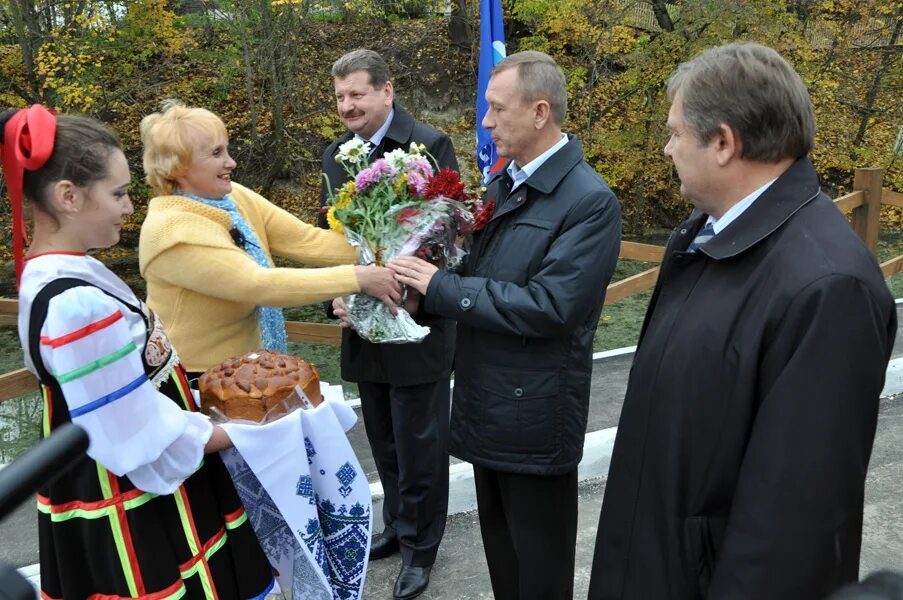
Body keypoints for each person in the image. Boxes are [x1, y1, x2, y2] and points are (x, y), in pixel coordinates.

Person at [587, 42, 897, 599]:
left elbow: (790, 530)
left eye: (676, 132)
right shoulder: (704, 235)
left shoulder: (828, 287)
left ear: (724, 142)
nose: (666, 148)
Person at [4, 105, 274, 598]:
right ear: (69, 196)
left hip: (103, 468)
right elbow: (138, 431)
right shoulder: (77, 304)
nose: (130, 207)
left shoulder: (56, 275)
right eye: (119, 193)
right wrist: (239, 431)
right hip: (130, 489)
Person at [389, 51, 621, 600]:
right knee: (505, 570)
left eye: (496, 109)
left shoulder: (590, 202)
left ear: (540, 112)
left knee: (538, 576)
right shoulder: (505, 185)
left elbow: (549, 307)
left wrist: (439, 287)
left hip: (534, 418)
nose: (486, 122)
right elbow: (474, 272)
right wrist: (412, 291)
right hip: (488, 406)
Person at [319, 49, 459, 600]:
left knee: (420, 441)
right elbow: (328, 238)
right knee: (382, 437)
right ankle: (400, 528)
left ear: (387, 90)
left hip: (414, 318)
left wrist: (411, 292)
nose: (347, 106)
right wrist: (334, 290)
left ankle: (422, 549)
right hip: (361, 320)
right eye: (339, 97)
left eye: (356, 94)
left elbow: (448, 233)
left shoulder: (427, 145)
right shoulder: (335, 157)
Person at [138, 101, 400, 377]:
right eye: (216, 153)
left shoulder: (232, 197)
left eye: (226, 149)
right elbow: (258, 285)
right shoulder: (173, 232)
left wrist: (392, 247)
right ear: (179, 166)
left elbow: (307, 240)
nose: (231, 162)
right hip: (194, 376)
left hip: (250, 365)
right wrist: (359, 277)